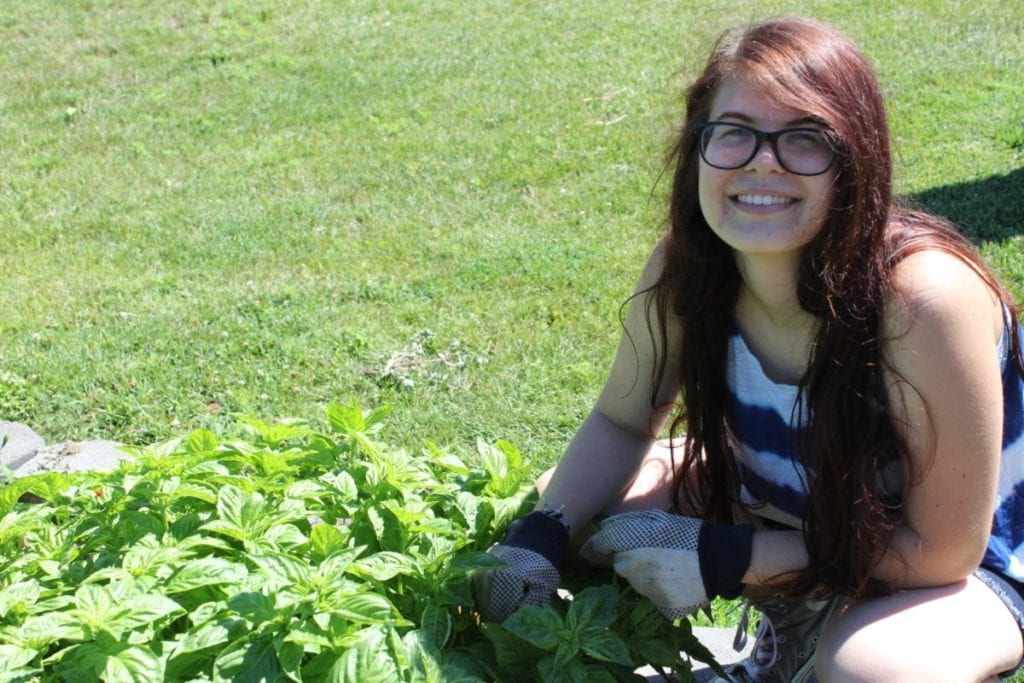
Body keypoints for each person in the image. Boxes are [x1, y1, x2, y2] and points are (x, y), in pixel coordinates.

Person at [472, 15, 1024, 683]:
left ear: (855, 159)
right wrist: (542, 533)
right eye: (734, 133)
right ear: (696, 149)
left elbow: (942, 550)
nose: (764, 160)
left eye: (804, 138)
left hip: (975, 558)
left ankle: (826, 634)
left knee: (873, 669)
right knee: (597, 513)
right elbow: (621, 419)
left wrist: (730, 557)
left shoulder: (921, 298)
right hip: (820, 507)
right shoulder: (690, 268)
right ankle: (796, 631)